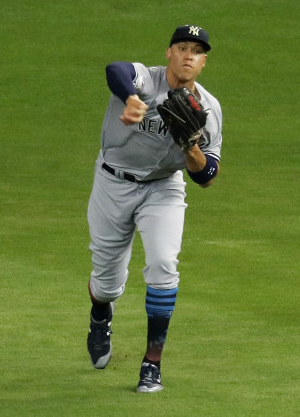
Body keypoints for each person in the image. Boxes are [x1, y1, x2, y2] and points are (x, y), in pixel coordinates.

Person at [85, 24, 223, 393]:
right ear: (169, 53)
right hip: (113, 183)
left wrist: (191, 146)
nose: (187, 55)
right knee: (108, 283)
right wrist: (130, 98)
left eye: (196, 50)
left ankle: (152, 364)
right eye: (181, 47)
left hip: (163, 189)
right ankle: (101, 315)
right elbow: (115, 69)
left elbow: (207, 175)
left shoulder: (209, 109)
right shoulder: (147, 80)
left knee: (163, 265)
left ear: (204, 61)